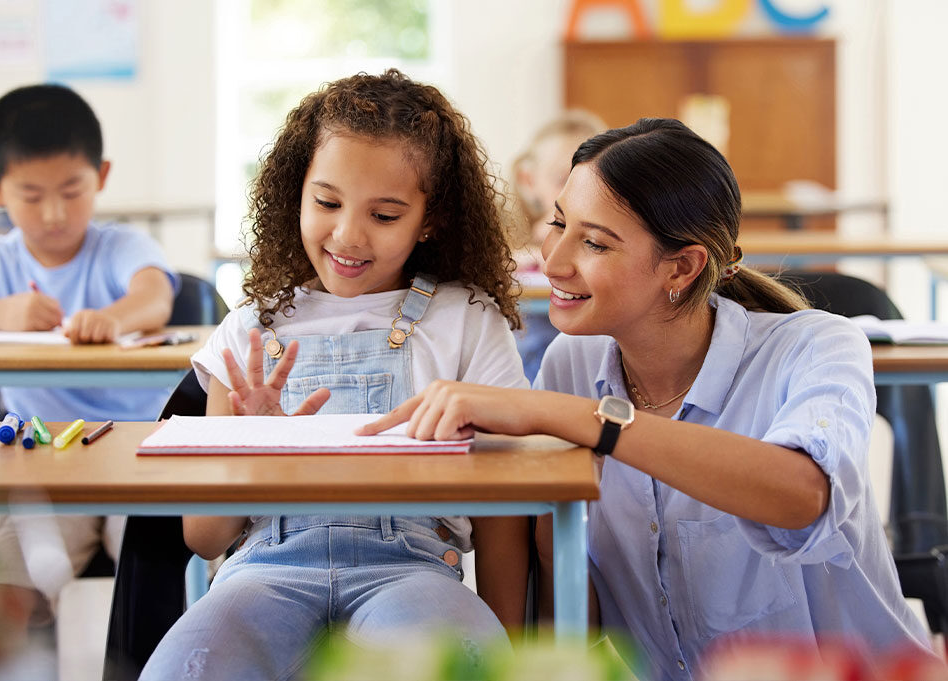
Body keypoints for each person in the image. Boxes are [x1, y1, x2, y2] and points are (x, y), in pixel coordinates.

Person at [360, 118, 936, 679]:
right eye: (558, 223)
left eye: (594, 243)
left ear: (681, 268)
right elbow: (568, 603)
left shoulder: (816, 345)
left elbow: (802, 496)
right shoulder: (572, 363)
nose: (555, 262)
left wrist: (576, 418)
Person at [139, 70, 528, 681]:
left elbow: (507, 513)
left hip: (412, 571)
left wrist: (514, 650)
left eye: (385, 214)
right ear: (295, 193)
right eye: (326, 203)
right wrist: (250, 449)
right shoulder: (248, 330)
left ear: (430, 219)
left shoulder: (469, 321)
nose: (348, 234)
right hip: (264, 574)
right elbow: (205, 538)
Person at [0, 84, 177, 657]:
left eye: (72, 190)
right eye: (31, 195)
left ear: (102, 176)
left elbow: (156, 294)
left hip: (141, 461)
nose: (55, 213)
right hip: (44, 469)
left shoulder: (119, 246)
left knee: (161, 567)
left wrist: (112, 319)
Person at [510, 110, 605, 382]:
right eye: (563, 180)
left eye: (593, 182)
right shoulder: (513, 238)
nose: (577, 193)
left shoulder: (608, 239)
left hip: (586, 371)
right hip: (525, 374)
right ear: (529, 180)